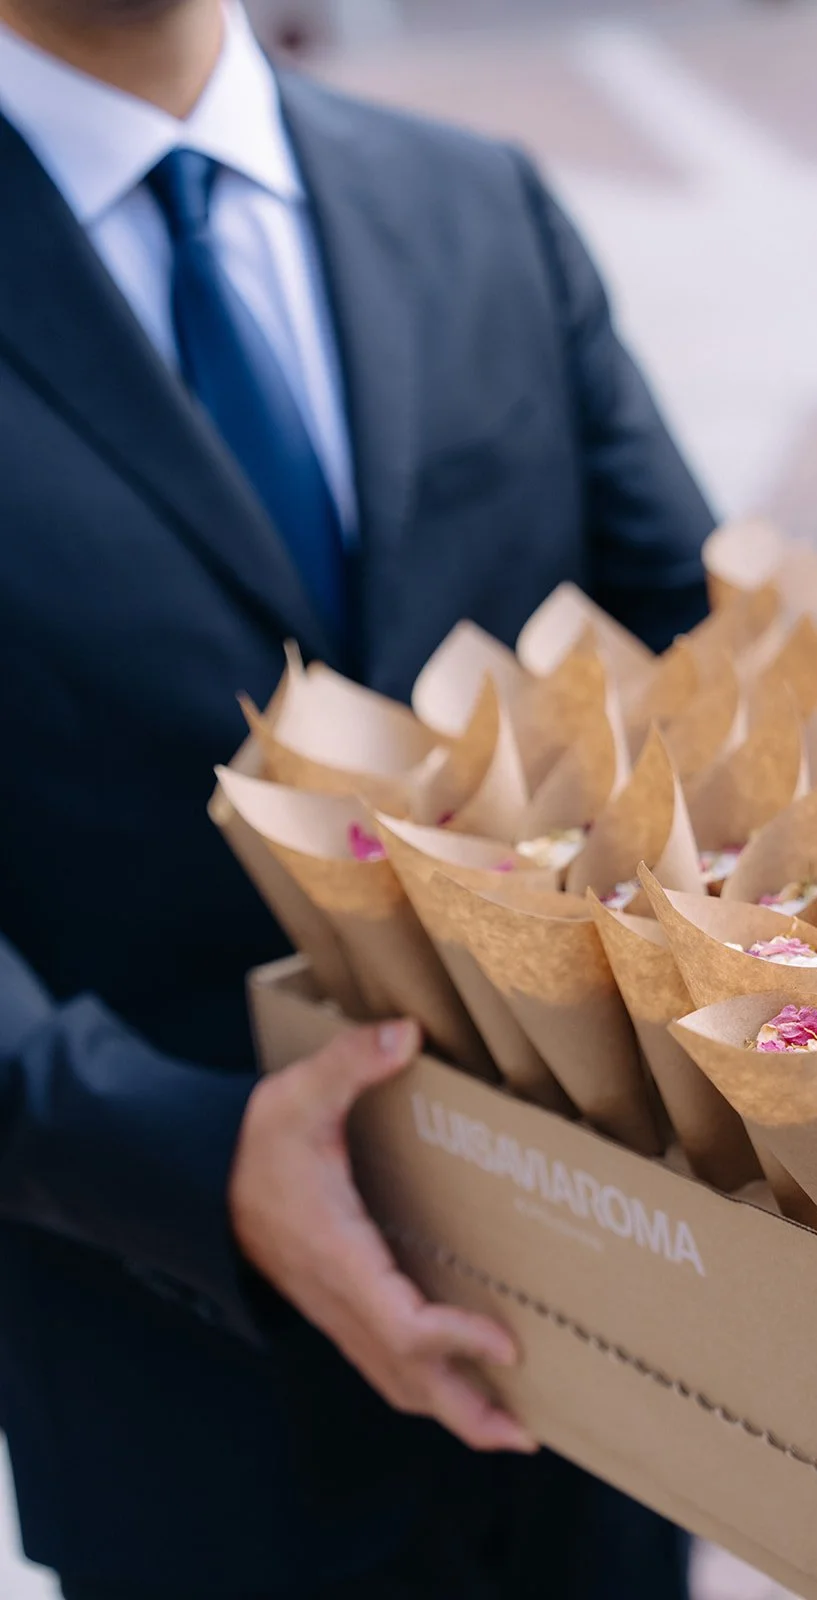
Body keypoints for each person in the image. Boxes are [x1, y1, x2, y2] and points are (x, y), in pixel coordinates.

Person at [0, 1, 714, 1595]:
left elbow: (694, 661)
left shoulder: (481, 206)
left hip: (611, 1363)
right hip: (179, 1381)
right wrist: (197, 1153)